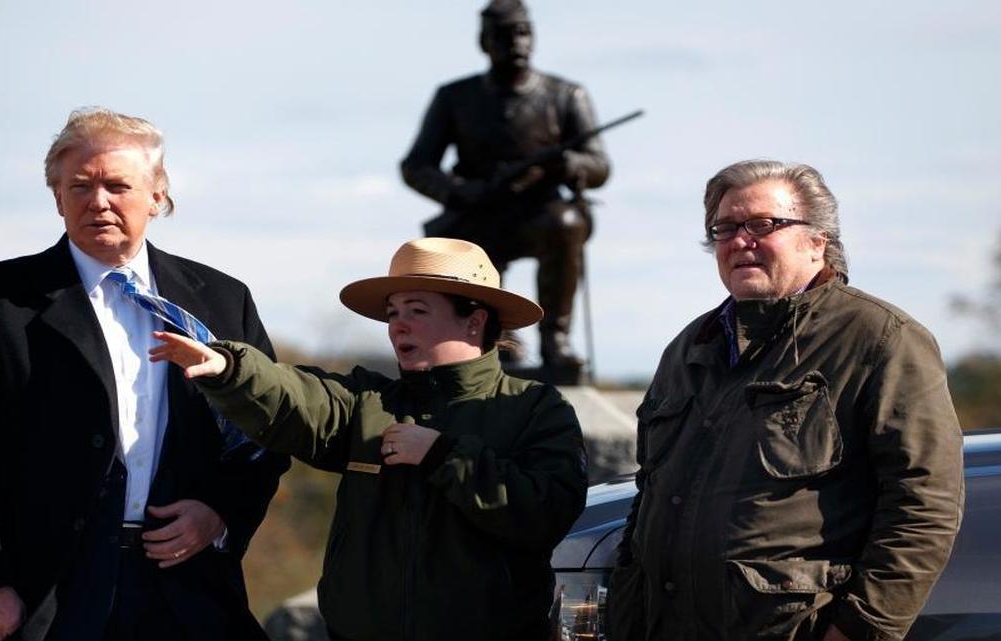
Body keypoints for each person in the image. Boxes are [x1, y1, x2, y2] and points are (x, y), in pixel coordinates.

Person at [0, 107, 289, 641]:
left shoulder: (225, 301)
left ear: (158, 196)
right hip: (37, 596)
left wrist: (221, 514)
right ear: (57, 197)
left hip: (185, 589)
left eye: (117, 185)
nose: (99, 201)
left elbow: (266, 430)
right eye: (80, 186)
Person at [150, 237, 590, 641]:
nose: (398, 326)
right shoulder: (368, 400)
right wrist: (232, 368)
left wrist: (442, 456)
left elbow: (546, 512)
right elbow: (297, 396)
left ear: (474, 321)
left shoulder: (535, 409)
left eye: (416, 311)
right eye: (393, 313)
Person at [604, 160, 965, 641]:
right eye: (725, 228)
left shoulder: (879, 339)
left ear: (817, 241)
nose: (739, 241)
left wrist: (861, 630)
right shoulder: (689, 347)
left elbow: (925, 506)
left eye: (763, 225)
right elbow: (649, 494)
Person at [399, 0, 610, 381]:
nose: (516, 42)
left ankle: (555, 341)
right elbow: (415, 166)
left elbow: (598, 165)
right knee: (460, 241)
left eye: (523, 32)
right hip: (477, 214)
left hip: (538, 213)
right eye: (504, 34)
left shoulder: (566, 95)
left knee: (566, 223)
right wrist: (457, 192)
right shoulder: (454, 97)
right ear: (484, 42)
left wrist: (570, 165)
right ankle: (494, 342)